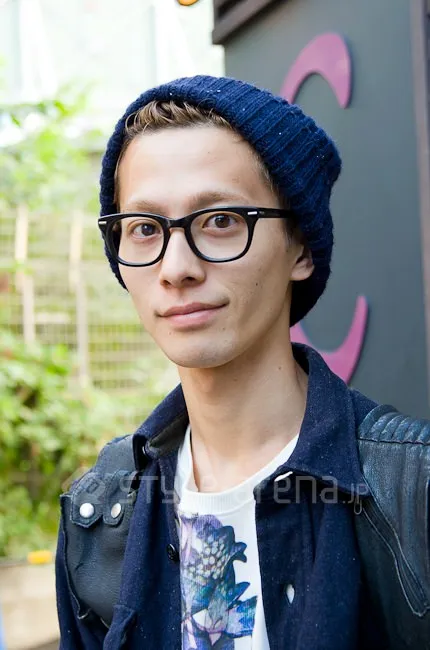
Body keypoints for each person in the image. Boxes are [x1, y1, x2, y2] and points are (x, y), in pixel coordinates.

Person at [55, 76, 430, 650]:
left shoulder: (412, 491)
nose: (176, 268)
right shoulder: (100, 513)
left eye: (221, 220)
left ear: (300, 246)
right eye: (145, 229)